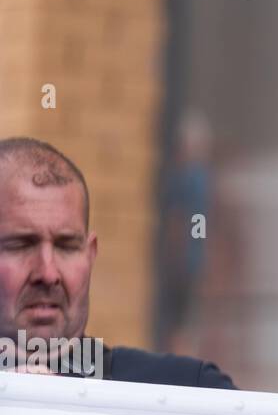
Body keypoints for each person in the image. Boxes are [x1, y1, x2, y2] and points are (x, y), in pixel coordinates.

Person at [0, 137, 236, 388]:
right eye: (20, 245)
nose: (48, 273)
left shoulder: (188, 391)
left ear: (90, 255)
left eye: (66, 246)